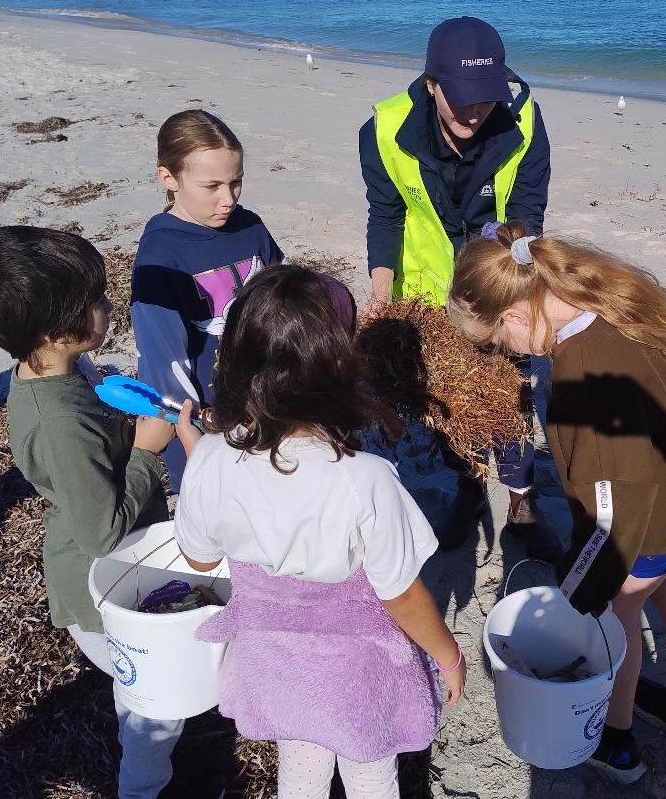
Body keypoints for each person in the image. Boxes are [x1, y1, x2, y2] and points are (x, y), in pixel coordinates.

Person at [448, 222, 666, 783]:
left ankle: (616, 742)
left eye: (499, 343)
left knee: (617, 621)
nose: (508, 354)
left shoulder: (583, 373)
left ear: (515, 314)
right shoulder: (611, 295)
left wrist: (581, 587)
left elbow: (613, 510)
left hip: (653, 523)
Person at [170, 265, 463, 798]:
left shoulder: (210, 460)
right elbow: (399, 594)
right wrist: (447, 653)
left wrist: (200, 464)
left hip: (277, 664)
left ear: (233, 360)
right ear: (341, 369)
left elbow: (200, 561)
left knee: (300, 769)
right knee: (371, 770)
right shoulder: (365, 478)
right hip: (358, 672)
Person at [0, 226, 183, 798]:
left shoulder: (60, 368)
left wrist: (123, 417)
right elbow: (101, 531)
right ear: (56, 330)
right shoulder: (57, 422)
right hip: (100, 582)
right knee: (155, 704)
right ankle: (144, 789)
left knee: (151, 697)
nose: (108, 306)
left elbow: (94, 446)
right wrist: (148, 453)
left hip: (121, 559)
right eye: (97, 301)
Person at [359, 16, 552, 548]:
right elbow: (386, 215)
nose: (473, 112)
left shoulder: (524, 122)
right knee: (445, 401)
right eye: (460, 97)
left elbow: (530, 209)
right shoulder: (383, 132)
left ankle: (520, 501)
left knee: (510, 396)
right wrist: (382, 295)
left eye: (485, 97)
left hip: (499, 286)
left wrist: (506, 269)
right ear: (432, 84)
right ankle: (465, 487)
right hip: (425, 295)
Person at [132, 109, 283, 491]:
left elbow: (283, 301)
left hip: (267, 401)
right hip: (206, 420)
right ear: (169, 178)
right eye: (211, 185)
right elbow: (164, 362)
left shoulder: (250, 226)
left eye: (236, 182)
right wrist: (194, 423)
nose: (228, 199)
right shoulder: (160, 255)